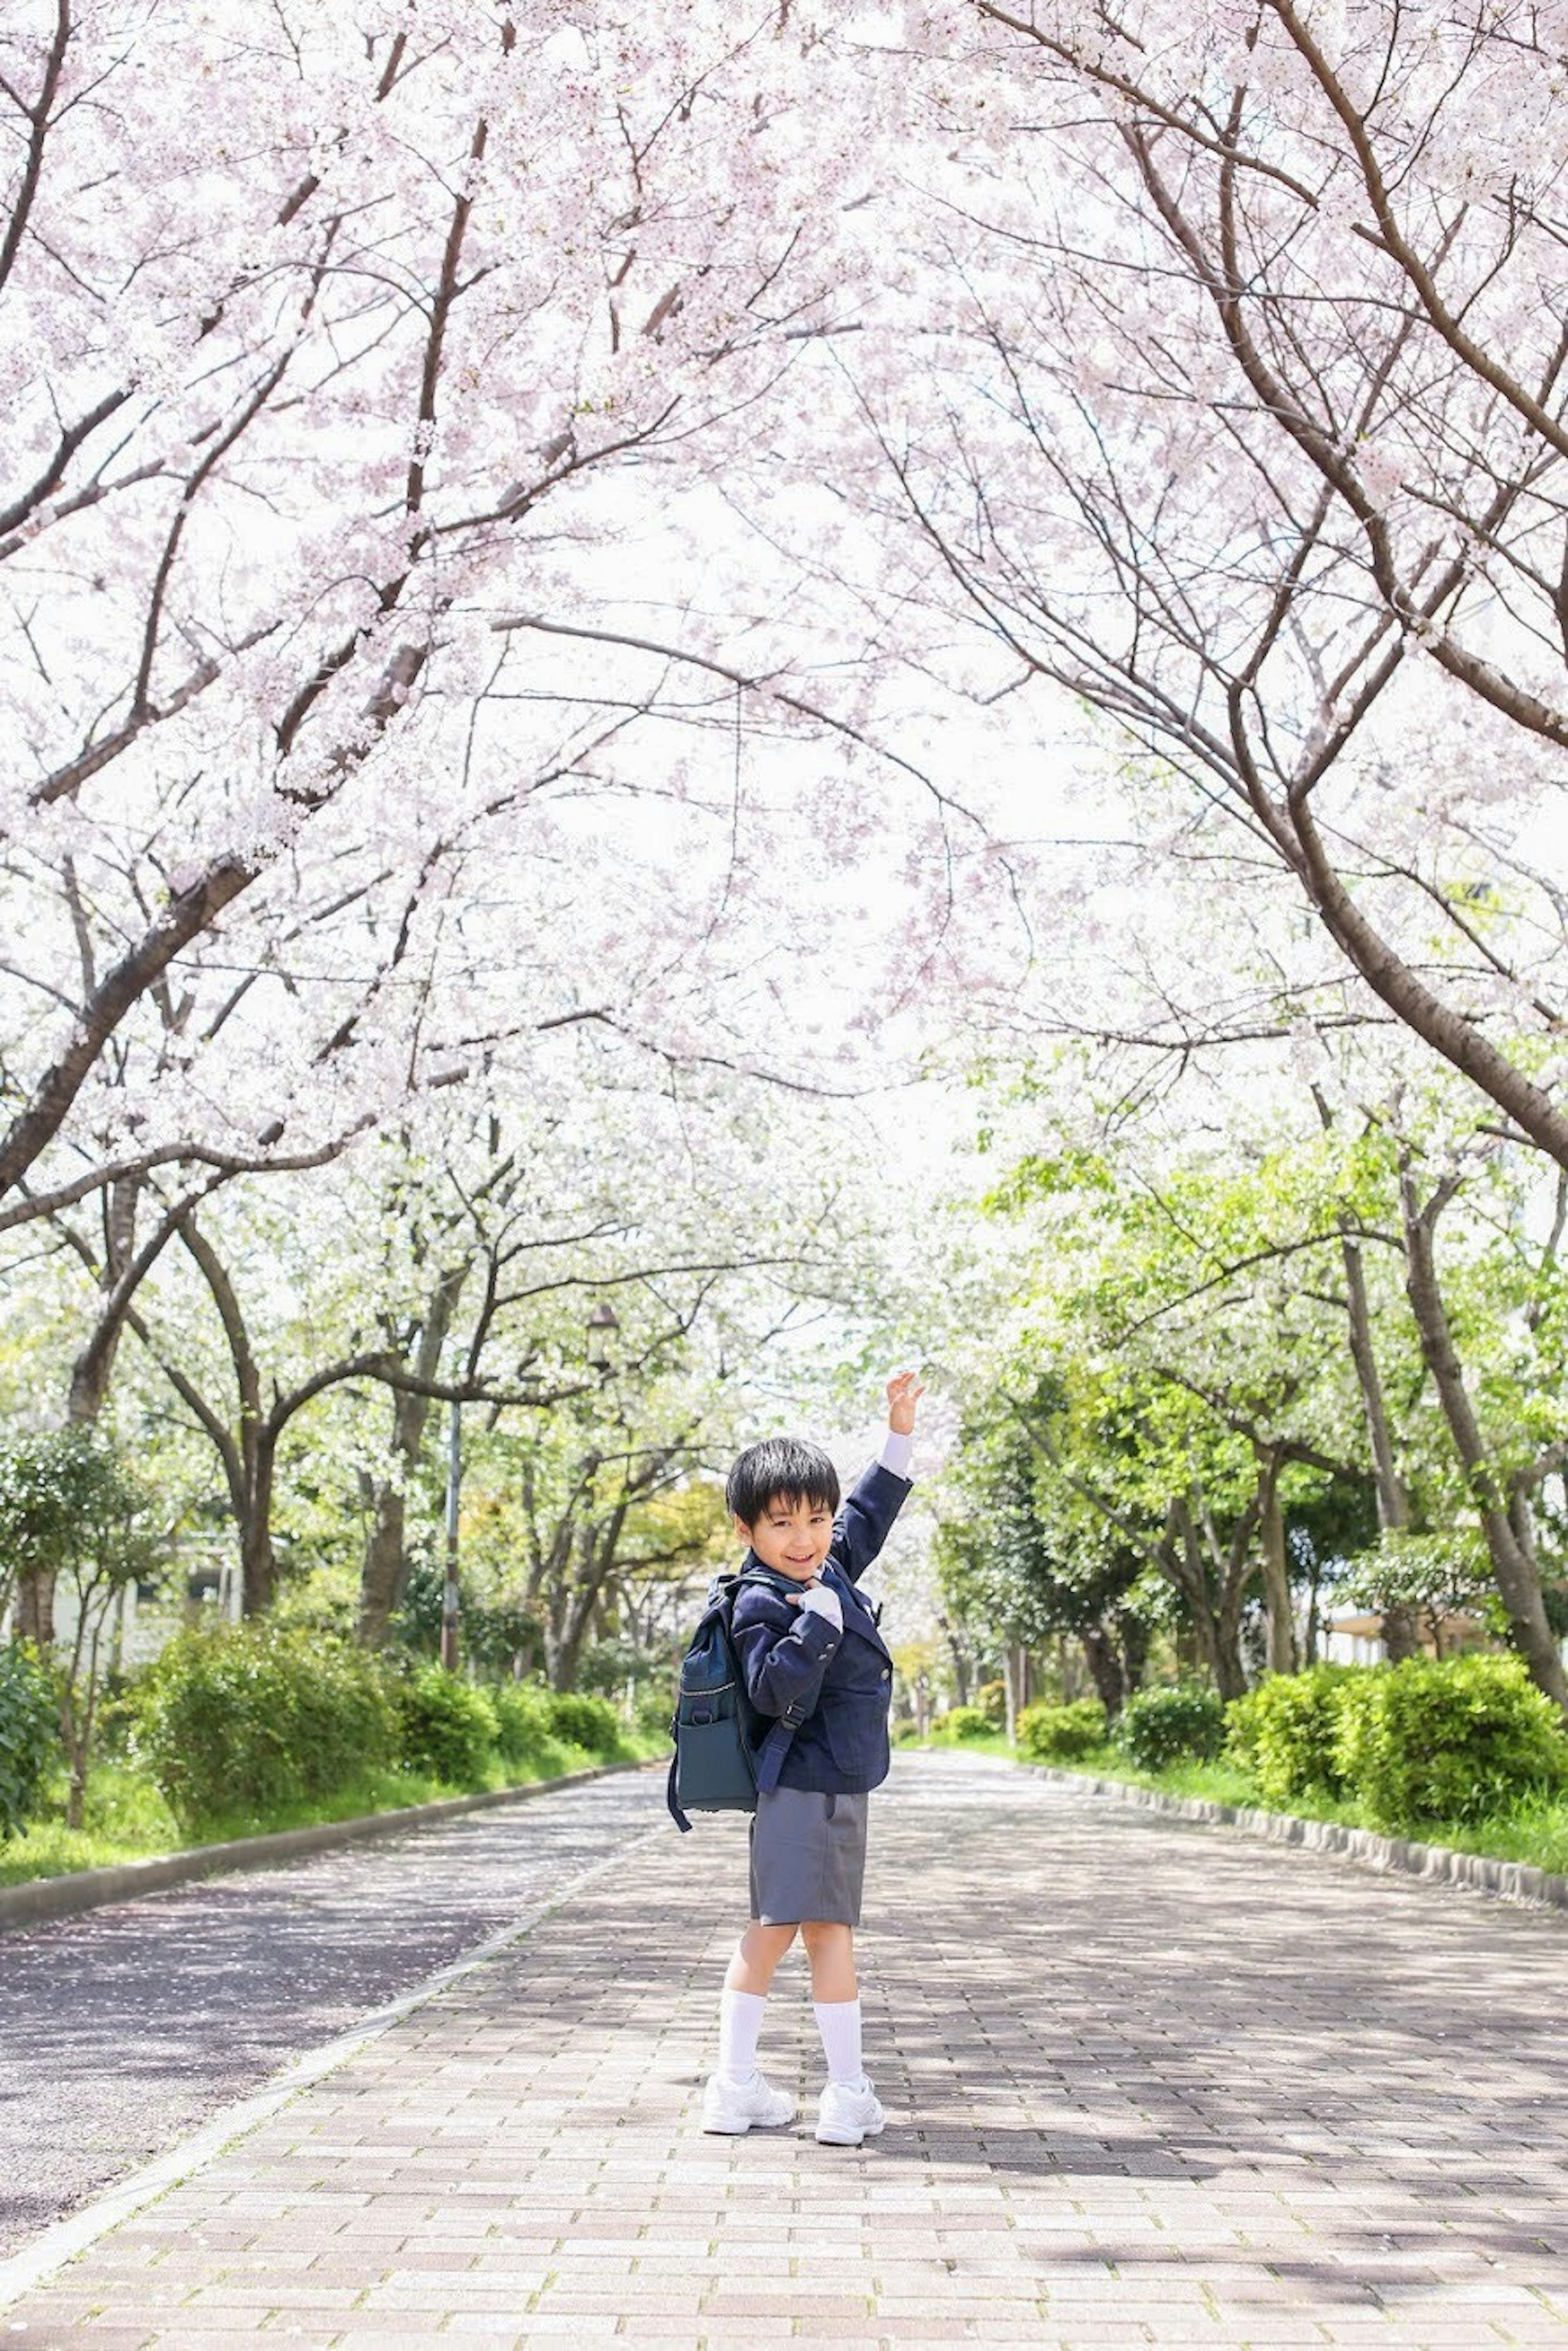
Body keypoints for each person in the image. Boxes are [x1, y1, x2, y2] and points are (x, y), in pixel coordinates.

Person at [701, 1368, 924, 2147]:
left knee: (774, 1929)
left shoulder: (825, 1565)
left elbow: (869, 1513)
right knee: (824, 1932)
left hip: (807, 1788)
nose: (807, 1539)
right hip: (814, 1785)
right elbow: (768, 1688)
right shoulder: (766, 1597)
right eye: (785, 1524)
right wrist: (820, 1626)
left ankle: (736, 2089)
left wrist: (897, 1434)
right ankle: (846, 2096)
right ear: (748, 1529)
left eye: (817, 1520)